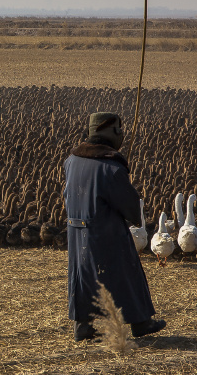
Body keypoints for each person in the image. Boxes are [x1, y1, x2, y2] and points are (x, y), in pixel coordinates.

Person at [64, 112, 165, 342]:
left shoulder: (71, 161)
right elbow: (129, 206)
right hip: (105, 232)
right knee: (127, 272)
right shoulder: (111, 168)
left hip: (76, 232)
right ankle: (141, 322)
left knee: (83, 276)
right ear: (113, 133)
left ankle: (83, 325)